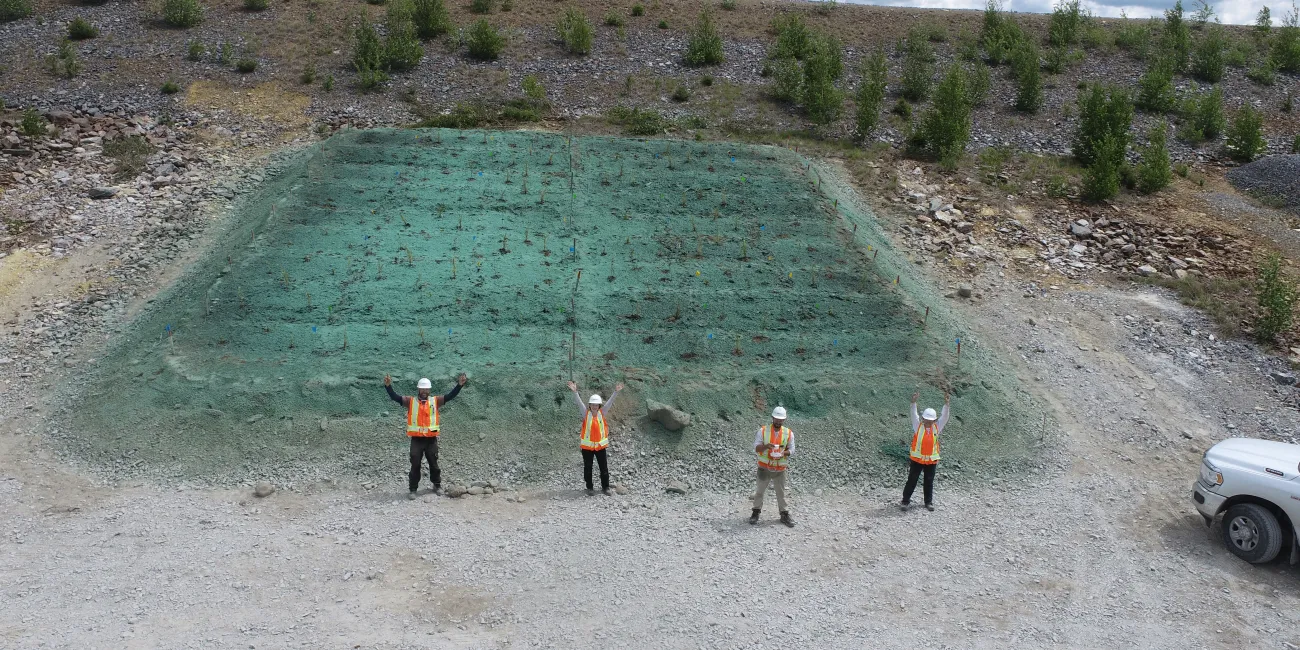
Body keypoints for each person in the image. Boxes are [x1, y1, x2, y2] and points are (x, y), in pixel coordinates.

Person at [384, 373, 467, 499]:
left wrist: (459, 385)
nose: (424, 391)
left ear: (429, 390)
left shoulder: (435, 401)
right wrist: (388, 386)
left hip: (430, 440)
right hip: (416, 440)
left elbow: (450, 396)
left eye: (426, 389)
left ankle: (437, 485)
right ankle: (413, 489)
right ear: (419, 389)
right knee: (415, 463)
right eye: (422, 389)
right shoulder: (410, 402)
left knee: (433, 463)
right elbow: (395, 397)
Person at [566, 380, 623, 494]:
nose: (595, 406)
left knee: (604, 468)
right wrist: (575, 392)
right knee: (588, 468)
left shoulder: (602, 413)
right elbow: (579, 403)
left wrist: (615, 392)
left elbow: (609, 403)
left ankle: (605, 487)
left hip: (600, 447)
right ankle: (590, 488)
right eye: (593, 404)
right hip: (587, 448)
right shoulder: (585, 414)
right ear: (590, 405)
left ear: (599, 406)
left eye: (596, 405)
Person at [901, 390, 950, 512]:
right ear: (922, 418)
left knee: (929, 481)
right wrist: (913, 402)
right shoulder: (917, 425)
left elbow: (945, 417)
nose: (927, 422)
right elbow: (913, 414)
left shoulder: (937, 427)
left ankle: (928, 502)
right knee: (912, 480)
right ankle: (905, 501)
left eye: (930, 420)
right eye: (926, 420)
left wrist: (947, 405)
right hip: (917, 459)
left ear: (934, 420)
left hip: (931, 460)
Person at [749, 406, 796, 528]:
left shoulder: (788, 433)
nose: (778, 421)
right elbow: (756, 448)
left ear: (784, 420)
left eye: (780, 420)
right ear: (772, 418)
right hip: (764, 468)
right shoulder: (763, 431)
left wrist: (783, 453)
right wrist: (765, 446)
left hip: (780, 469)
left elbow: (792, 450)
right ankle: (755, 512)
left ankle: (784, 514)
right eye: (776, 419)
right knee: (759, 492)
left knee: (781, 493)